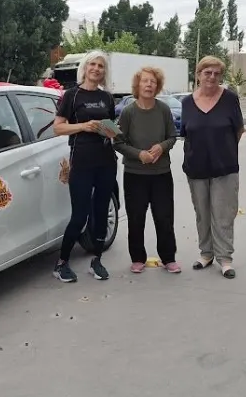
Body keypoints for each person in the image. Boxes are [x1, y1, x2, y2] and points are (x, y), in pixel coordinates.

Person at [52, 50, 119, 282]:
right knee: (80, 215)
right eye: (93, 64)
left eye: (101, 66)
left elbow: (111, 129)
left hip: (106, 162)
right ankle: (62, 263)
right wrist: (83, 126)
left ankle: (96, 260)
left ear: (104, 71)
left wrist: (111, 130)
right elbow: (58, 127)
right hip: (81, 162)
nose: (96, 69)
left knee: (100, 213)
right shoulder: (72, 95)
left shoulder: (107, 97)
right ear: (85, 67)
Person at [180, 56, 244, 278]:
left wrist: (223, 149)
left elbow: (238, 130)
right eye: (207, 72)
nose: (212, 77)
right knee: (203, 214)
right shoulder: (187, 102)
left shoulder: (230, 99)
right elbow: (186, 133)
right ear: (198, 75)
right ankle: (206, 253)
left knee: (223, 214)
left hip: (224, 167)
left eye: (217, 73)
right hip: (196, 167)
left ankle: (225, 258)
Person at [114, 66, 180, 274]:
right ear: (138, 85)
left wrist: (162, 147)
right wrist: (138, 154)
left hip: (161, 174)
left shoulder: (163, 110)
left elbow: (173, 137)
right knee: (136, 218)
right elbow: (118, 142)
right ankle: (137, 258)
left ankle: (168, 258)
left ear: (157, 86)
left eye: (153, 81)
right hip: (135, 174)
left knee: (164, 217)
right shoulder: (128, 112)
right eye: (145, 81)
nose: (149, 85)